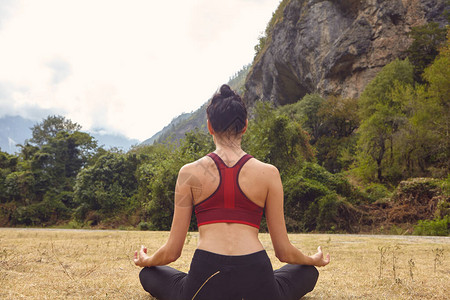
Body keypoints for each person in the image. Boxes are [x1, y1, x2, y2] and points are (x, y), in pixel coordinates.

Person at [134, 84, 330, 300]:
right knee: (308, 272)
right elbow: (283, 252)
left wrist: (147, 260)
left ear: (209, 126)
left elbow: (172, 252)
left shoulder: (188, 173)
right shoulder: (269, 173)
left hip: (204, 281)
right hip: (258, 281)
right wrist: (313, 260)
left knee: (149, 274)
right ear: (245, 125)